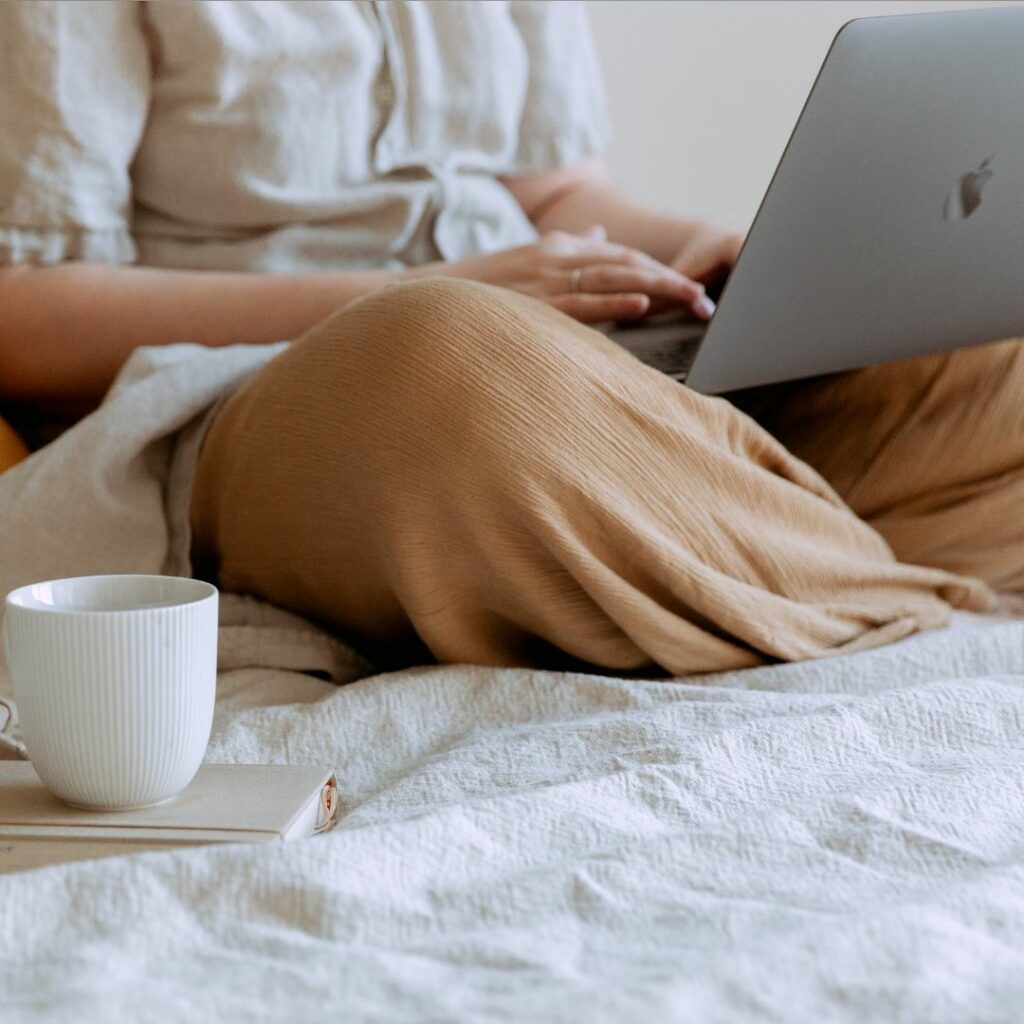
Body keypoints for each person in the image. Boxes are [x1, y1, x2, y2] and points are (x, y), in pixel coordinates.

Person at [0, 0, 1019, 676]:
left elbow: (558, 193)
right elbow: (26, 306)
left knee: (985, 339)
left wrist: (718, 249)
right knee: (445, 357)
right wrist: (427, 286)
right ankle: (888, 583)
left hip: (552, 354)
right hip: (294, 388)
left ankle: (757, 565)